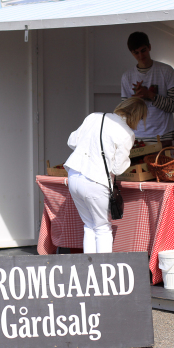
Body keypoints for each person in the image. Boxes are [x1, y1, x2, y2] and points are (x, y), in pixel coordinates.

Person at [64, 98, 147, 253]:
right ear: (138, 117)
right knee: (102, 229)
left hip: (74, 174)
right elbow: (117, 168)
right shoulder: (127, 133)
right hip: (96, 181)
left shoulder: (93, 117)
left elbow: (72, 141)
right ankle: (103, 273)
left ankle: (90, 270)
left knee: (89, 226)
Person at [121, 32, 174, 147]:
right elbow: (125, 113)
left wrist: (150, 95)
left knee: (163, 165)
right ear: (131, 53)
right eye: (136, 53)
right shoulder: (127, 76)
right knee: (139, 166)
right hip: (137, 138)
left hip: (163, 136)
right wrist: (135, 101)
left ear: (149, 47)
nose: (140, 56)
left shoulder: (166, 71)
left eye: (143, 50)